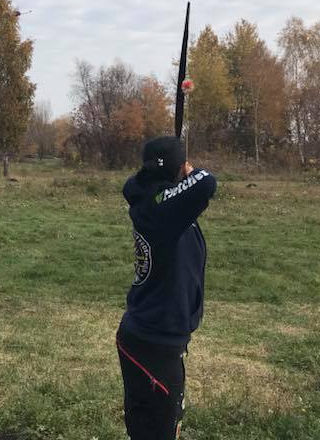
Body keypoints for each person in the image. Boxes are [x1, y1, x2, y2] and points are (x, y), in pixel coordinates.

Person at [116, 136, 217, 440]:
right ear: (176, 170)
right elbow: (206, 182)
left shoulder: (156, 200)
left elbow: (185, 195)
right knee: (158, 430)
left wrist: (177, 177)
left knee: (154, 426)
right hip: (153, 343)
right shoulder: (160, 208)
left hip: (151, 337)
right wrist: (187, 170)